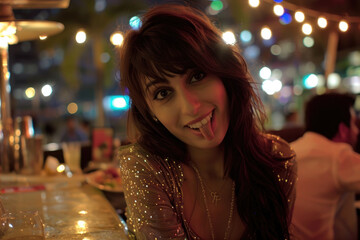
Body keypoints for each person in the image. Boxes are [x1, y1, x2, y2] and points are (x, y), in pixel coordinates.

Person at [117, 4, 296, 239]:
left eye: (196, 76)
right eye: (163, 93)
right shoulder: (148, 168)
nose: (191, 107)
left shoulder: (277, 161)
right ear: (150, 112)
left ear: (224, 74)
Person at [291, 92, 360, 240]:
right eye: (354, 123)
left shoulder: (289, 150)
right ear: (342, 129)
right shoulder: (338, 156)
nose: (357, 131)